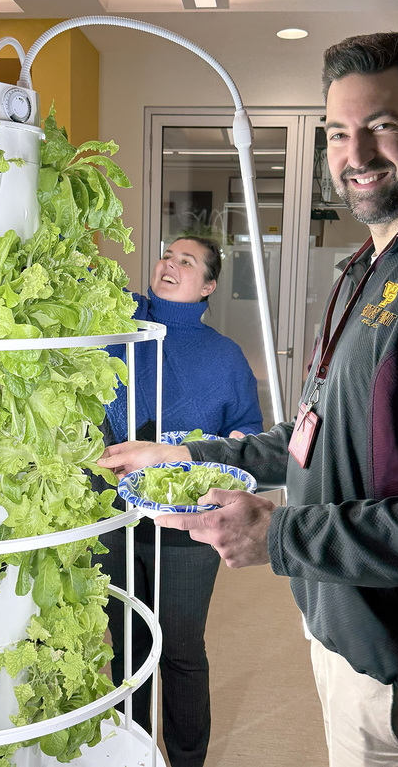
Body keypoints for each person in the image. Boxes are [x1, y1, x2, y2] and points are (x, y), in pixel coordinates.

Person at [98, 33, 398, 767]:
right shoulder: (366, 268)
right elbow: (313, 432)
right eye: (339, 132)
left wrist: (279, 534)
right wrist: (184, 451)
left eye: (382, 124)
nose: (357, 152)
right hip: (347, 619)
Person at [98, 235, 263, 767]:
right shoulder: (117, 329)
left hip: (188, 524)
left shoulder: (225, 357)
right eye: (167, 254)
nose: (170, 263)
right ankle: (136, 754)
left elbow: (247, 431)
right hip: (115, 517)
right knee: (127, 649)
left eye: (187, 262)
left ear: (209, 285)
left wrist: (224, 452)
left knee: (182, 651)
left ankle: (188, 761)